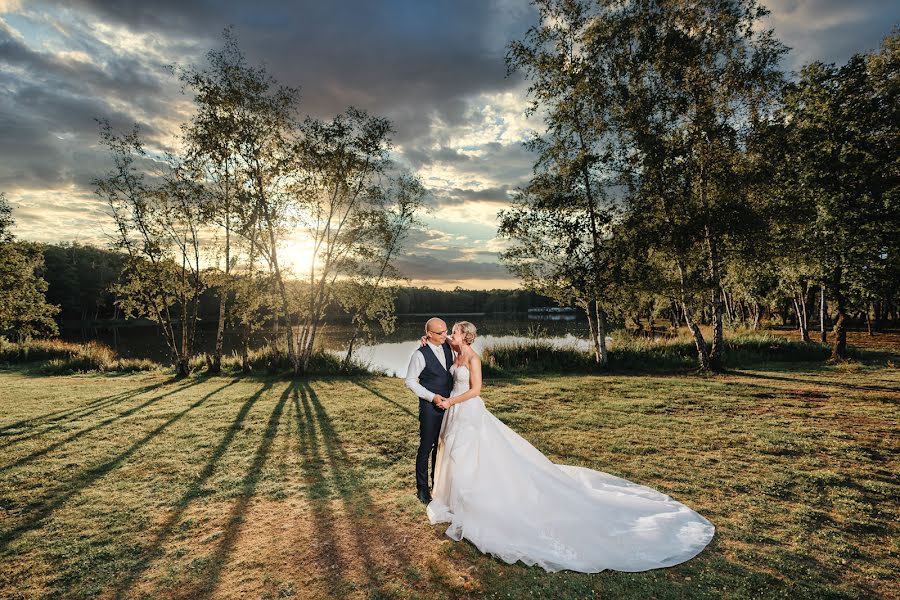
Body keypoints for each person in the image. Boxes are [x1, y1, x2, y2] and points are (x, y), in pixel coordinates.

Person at [425, 320, 716, 573]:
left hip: (468, 410)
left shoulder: (473, 358)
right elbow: (437, 338)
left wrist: (451, 400)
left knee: (469, 454)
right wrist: (428, 340)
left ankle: (472, 502)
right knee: (454, 453)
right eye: (451, 332)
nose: (451, 334)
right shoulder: (456, 351)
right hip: (455, 413)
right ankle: (455, 499)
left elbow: (476, 390)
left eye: (455, 331)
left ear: (466, 336)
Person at [404, 317, 455, 504]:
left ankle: (438, 485)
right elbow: (409, 381)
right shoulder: (420, 354)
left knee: (442, 448)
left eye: (446, 331)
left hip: (449, 406)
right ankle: (422, 490)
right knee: (427, 447)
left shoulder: (449, 347)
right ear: (429, 334)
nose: (445, 335)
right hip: (430, 408)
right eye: (440, 332)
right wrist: (432, 397)